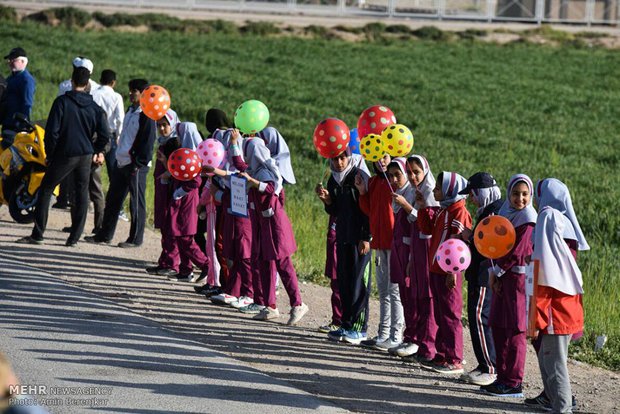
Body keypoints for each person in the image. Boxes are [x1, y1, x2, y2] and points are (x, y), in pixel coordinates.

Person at [15, 66, 109, 247]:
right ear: (88, 84)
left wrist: (50, 154)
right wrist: (97, 150)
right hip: (85, 155)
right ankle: (73, 239)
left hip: (65, 154)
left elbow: (52, 132)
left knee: (46, 190)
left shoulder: (62, 102)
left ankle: (38, 234)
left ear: (72, 81)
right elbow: (105, 135)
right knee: (82, 194)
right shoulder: (95, 107)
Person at [525, 178, 588, 413]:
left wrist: (536, 313)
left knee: (554, 362)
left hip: (554, 308)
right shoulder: (565, 226)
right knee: (547, 357)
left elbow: (542, 267)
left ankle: (562, 407)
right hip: (565, 305)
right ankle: (555, 401)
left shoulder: (548, 219)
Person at [237, 137, 308, 324]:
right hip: (262, 225)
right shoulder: (253, 170)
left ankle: (297, 304)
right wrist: (234, 143)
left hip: (274, 226)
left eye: (248, 153)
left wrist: (252, 181)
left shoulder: (265, 172)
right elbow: (239, 164)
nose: (246, 156)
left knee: (283, 264)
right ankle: (270, 306)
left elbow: (270, 188)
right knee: (264, 263)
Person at [482, 174, 537, 397]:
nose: (520, 199)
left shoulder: (528, 218)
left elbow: (517, 252)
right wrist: (493, 271)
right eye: (516, 193)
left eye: (525, 194)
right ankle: (502, 377)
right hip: (501, 277)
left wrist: (496, 273)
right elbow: (492, 245)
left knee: (515, 330)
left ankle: (514, 381)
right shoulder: (505, 214)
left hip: (517, 282)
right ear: (508, 194)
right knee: (498, 325)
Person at [86, 79, 156, 248]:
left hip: (136, 165)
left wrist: (138, 163)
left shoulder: (146, 115)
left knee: (136, 202)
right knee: (113, 199)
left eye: (134, 91)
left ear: (143, 93)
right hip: (122, 161)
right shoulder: (132, 111)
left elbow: (147, 142)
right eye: (130, 90)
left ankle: (135, 239)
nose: (130, 93)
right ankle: (105, 234)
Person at [416, 171, 472, 374]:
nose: (434, 190)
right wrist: (423, 207)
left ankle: (454, 358)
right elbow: (426, 229)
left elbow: (459, 244)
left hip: (449, 273)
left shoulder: (459, 212)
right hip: (436, 269)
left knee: (450, 315)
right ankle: (442, 354)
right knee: (440, 313)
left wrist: (453, 272)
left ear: (450, 190)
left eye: (438, 188)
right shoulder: (443, 210)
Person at [316, 149, 372, 345]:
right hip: (343, 237)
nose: (339, 162)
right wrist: (327, 200)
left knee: (359, 282)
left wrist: (366, 236)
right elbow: (336, 211)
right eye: (335, 158)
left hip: (359, 239)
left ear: (349, 157)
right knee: (345, 281)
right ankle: (346, 323)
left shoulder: (358, 176)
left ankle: (359, 328)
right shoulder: (334, 179)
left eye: (342, 158)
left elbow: (367, 209)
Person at [146, 108, 205, 277]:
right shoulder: (163, 141)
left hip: (175, 193)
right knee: (168, 229)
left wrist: (166, 165)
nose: (162, 129)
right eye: (159, 125)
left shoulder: (176, 144)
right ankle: (168, 262)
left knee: (175, 232)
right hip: (165, 190)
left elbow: (180, 172)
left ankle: (175, 264)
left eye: (165, 125)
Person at [355, 153, 404, 351]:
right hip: (380, 243)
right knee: (383, 290)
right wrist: (362, 192)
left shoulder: (396, 185)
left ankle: (396, 334)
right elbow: (369, 210)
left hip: (394, 243)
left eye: (384, 157)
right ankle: (383, 334)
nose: (381, 161)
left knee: (394, 291)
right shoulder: (374, 182)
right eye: (377, 158)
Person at [458, 172, 502, 386]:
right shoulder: (487, 210)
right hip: (479, 273)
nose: (472, 199)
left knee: (479, 318)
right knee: (476, 319)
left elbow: (488, 244)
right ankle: (484, 364)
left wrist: (469, 236)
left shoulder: (494, 212)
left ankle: (491, 367)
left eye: (473, 195)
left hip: (485, 274)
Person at [397, 155, 439, 363]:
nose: (413, 176)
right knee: (419, 296)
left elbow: (427, 225)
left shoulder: (430, 193)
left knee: (428, 298)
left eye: (417, 172)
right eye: (410, 172)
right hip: (417, 250)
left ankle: (429, 347)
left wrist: (408, 205)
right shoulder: (416, 191)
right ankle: (422, 344)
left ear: (425, 172)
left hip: (427, 250)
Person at [157, 137, 209, 283]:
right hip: (180, 203)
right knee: (180, 237)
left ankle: (206, 265)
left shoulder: (186, 159)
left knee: (186, 238)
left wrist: (181, 191)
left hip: (187, 204)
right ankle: (186, 270)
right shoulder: (180, 158)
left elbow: (196, 181)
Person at [54, 56, 99, 209]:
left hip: (67, 133)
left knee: (61, 173)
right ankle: (82, 209)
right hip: (87, 137)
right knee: (84, 180)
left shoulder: (65, 85)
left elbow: (58, 115)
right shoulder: (96, 89)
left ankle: (62, 199)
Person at [92, 69, 124, 178]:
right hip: (111, 135)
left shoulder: (93, 93)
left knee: (92, 167)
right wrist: (119, 136)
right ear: (113, 83)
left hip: (94, 134)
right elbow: (120, 119)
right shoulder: (116, 97)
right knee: (113, 169)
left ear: (100, 80)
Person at [1, 47, 35, 149]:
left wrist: (23, 127)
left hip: (16, 126)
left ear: (23, 61)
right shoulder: (11, 78)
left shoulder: (26, 80)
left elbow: (27, 104)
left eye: (13, 60)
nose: (10, 62)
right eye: (9, 60)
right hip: (7, 123)